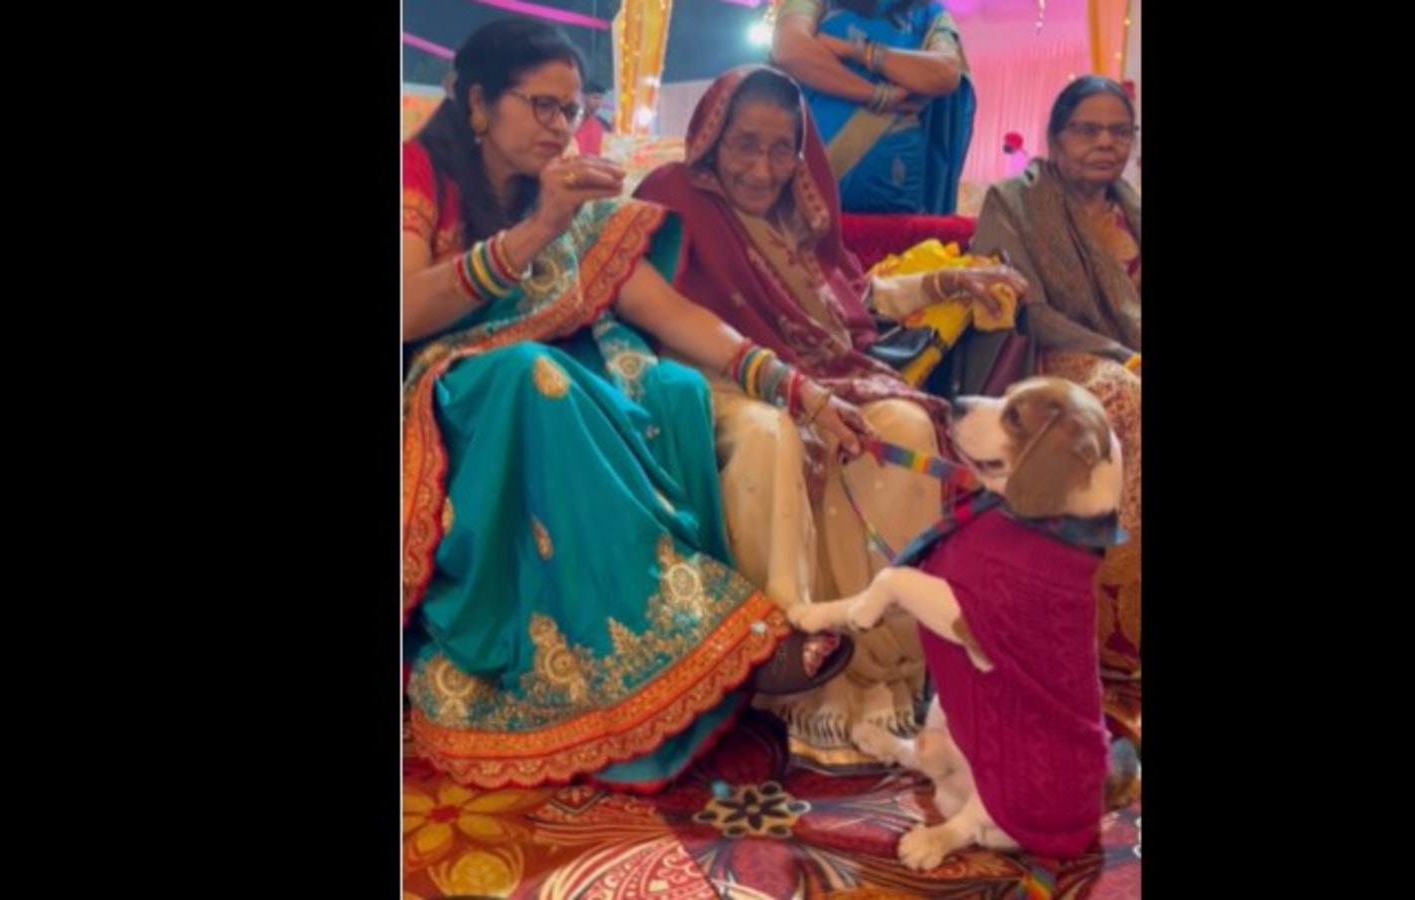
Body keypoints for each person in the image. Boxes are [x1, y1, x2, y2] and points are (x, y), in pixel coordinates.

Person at [402, 20, 868, 791]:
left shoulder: (569, 193)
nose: (560, 127)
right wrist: (532, 232)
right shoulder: (421, 172)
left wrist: (798, 389)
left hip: (540, 366)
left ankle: (690, 667)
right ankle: (652, 638)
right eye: (542, 106)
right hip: (444, 385)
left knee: (674, 387)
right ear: (478, 102)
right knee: (533, 376)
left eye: (570, 110)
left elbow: (669, 313)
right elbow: (404, 310)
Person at [635, 65, 1025, 768]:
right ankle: (792, 670)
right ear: (712, 138)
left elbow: (850, 294)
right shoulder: (669, 200)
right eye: (744, 145)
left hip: (817, 374)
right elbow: (650, 312)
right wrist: (792, 392)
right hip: (708, 383)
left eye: (780, 148)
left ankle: (877, 665)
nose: (762, 167)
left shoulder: (799, 212)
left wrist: (949, 279)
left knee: (898, 428)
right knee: (771, 435)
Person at [961, 74, 1142, 751]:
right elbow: (1026, 308)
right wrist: (1118, 356)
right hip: (1045, 362)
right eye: (1086, 130)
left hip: (1121, 360)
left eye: (1117, 131)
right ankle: (1096, 627)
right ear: (1056, 138)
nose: (1103, 144)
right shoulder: (1015, 202)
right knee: (1123, 397)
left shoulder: (1131, 209)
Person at [770, 0, 974, 214]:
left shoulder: (929, 13)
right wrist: (877, 95)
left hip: (892, 203)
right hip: (804, 199)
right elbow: (790, 50)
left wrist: (855, 50)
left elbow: (945, 73)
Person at [574, 79, 609, 155]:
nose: (598, 102)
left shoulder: (602, 124)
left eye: (600, 98)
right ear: (583, 97)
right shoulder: (571, 119)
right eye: (595, 98)